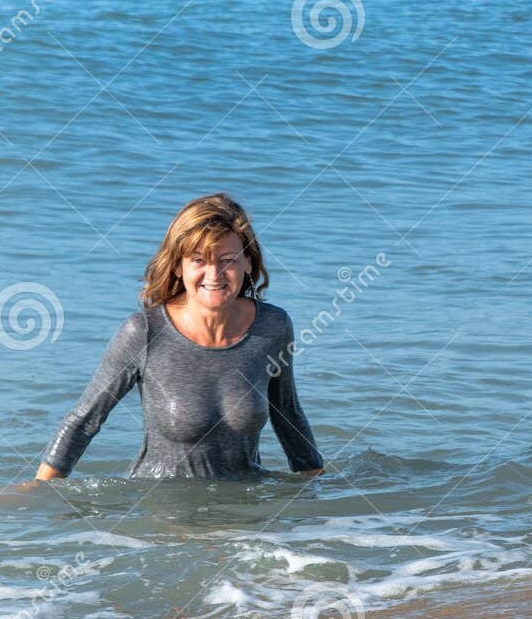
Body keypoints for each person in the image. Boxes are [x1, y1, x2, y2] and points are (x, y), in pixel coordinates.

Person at [35, 194, 324, 482]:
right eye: (198, 260)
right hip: (162, 511)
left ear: (248, 263)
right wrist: (39, 493)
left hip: (244, 513)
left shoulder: (273, 327)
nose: (215, 274)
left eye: (228, 260)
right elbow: (84, 420)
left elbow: (289, 415)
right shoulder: (145, 332)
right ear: (177, 266)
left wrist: (320, 493)